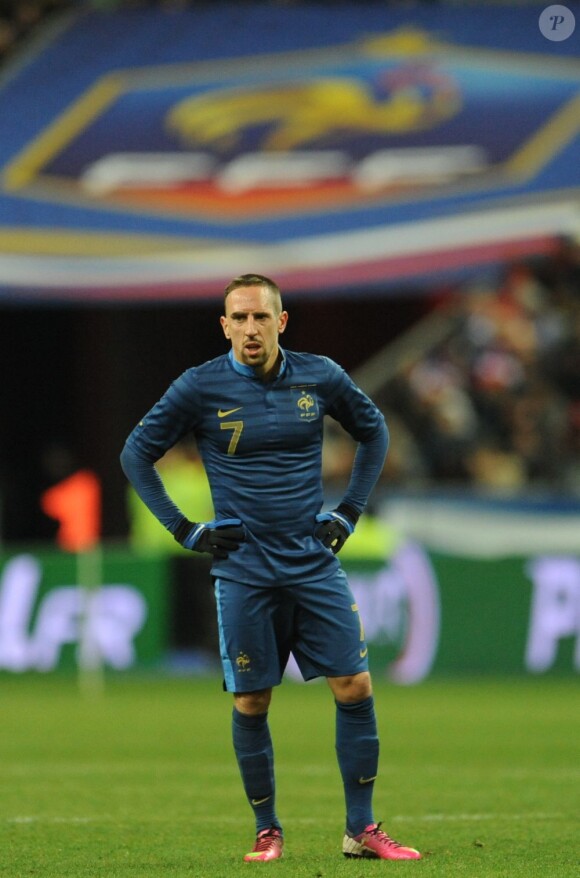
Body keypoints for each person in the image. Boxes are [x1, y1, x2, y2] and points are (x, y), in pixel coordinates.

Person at [120, 273, 421, 863]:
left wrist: (350, 511)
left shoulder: (320, 375)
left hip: (312, 563)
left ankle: (361, 829)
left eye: (261, 317)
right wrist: (185, 529)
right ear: (225, 325)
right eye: (239, 318)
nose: (250, 328)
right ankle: (267, 829)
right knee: (253, 702)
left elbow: (373, 429)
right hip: (244, 571)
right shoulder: (198, 387)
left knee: (355, 685)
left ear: (281, 322)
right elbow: (136, 453)